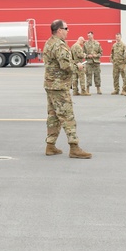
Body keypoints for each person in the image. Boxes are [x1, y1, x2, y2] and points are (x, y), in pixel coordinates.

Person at [43, 19, 92, 159]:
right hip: (59, 86)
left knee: (54, 116)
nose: (67, 30)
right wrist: (78, 66)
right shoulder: (59, 45)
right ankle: (74, 147)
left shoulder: (49, 42)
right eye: (66, 28)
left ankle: (50, 145)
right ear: (59, 30)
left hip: (51, 85)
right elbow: (65, 65)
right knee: (67, 117)